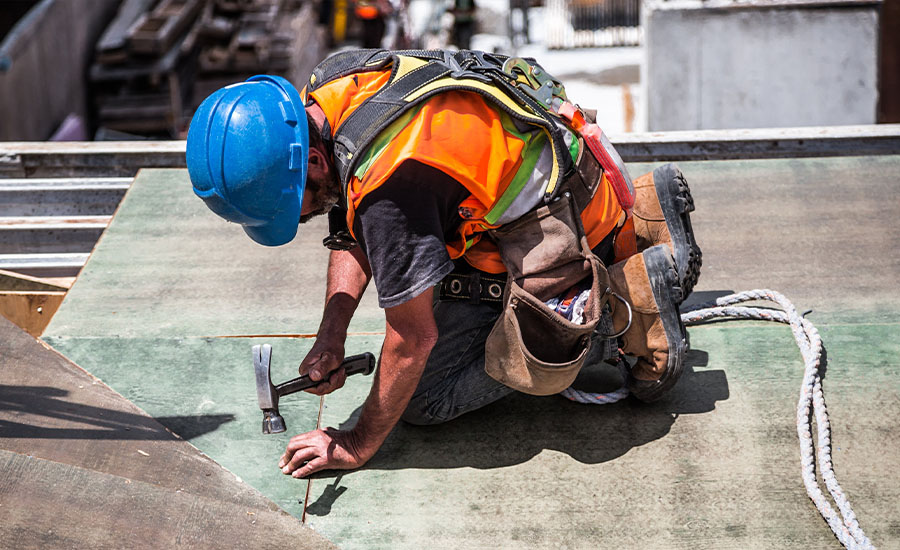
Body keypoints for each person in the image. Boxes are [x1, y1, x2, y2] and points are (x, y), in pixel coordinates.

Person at [185, 49, 701, 479]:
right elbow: (349, 223)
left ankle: (621, 308)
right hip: (570, 182)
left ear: (314, 162)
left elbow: (412, 339)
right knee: (417, 283)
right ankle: (645, 216)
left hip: (563, 233)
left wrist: (357, 443)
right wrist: (331, 335)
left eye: (290, 208)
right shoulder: (333, 88)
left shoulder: (393, 187)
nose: (296, 222)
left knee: (426, 399)